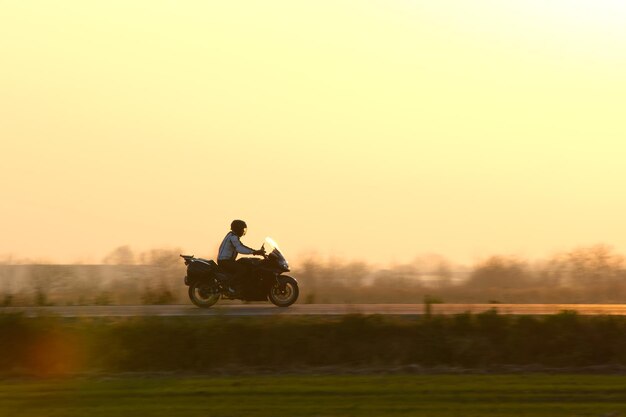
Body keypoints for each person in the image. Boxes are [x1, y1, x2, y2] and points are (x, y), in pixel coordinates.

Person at [217, 220, 265, 294]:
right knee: (242, 270)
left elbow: (241, 246)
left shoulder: (232, 235)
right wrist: (254, 252)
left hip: (227, 260)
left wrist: (255, 251)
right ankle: (230, 286)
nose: (243, 231)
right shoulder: (233, 237)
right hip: (225, 261)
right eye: (242, 229)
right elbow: (240, 248)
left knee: (245, 263)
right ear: (237, 228)